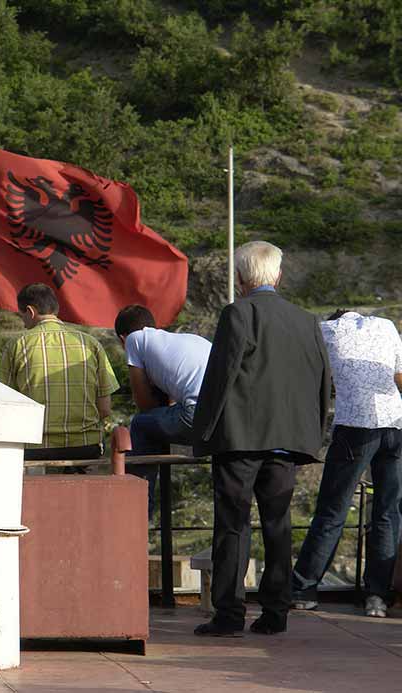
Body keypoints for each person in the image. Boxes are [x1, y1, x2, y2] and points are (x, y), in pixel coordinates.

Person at [192, 241, 331, 637]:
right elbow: (322, 381)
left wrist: (203, 434)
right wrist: (312, 432)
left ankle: (229, 614)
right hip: (288, 440)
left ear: (239, 279)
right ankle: (275, 613)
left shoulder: (238, 313)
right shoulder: (306, 321)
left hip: (240, 438)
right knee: (278, 525)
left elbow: (220, 377)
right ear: (278, 276)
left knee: (233, 526)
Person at [292, 310, 402, 618]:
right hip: (395, 426)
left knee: (332, 509)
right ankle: (377, 597)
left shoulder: (326, 330)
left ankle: (303, 589)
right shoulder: (386, 326)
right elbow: (398, 376)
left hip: (355, 426)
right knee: (387, 512)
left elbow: (307, 376)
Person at [0, 283, 118, 472]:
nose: (22, 322)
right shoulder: (91, 344)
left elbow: (4, 405)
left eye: (21, 315)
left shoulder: (17, 345)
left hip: (35, 448)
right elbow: (104, 408)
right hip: (85, 447)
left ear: (30, 311)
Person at [114, 305, 212, 518]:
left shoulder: (134, 340)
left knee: (141, 424)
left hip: (196, 414)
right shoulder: (188, 340)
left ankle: (136, 513)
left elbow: (144, 404)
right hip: (227, 416)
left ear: (123, 339)